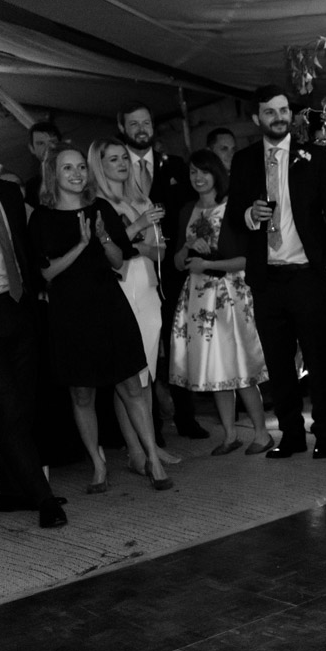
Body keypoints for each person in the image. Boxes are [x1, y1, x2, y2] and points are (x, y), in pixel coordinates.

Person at [29, 146, 173, 491]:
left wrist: (104, 237)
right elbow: (46, 272)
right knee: (82, 394)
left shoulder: (101, 208)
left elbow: (119, 261)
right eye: (68, 168)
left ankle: (152, 457)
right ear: (54, 175)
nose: (77, 174)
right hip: (70, 313)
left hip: (109, 304)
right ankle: (98, 464)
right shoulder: (42, 218)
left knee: (132, 386)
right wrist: (81, 244)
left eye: (81, 167)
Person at [0, 108, 68, 527]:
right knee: (5, 408)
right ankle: (43, 499)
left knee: (21, 407)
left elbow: (22, 248)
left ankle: (11, 493)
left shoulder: (6, 191)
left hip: (18, 309)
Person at [228, 84, 326, 459]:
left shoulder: (316, 157)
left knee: (320, 358)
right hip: (267, 278)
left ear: (290, 114)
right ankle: (291, 434)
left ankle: (325, 433)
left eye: (283, 110)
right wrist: (248, 215)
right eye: (270, 112)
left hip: (307, 274)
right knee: (278, 363)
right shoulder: (243, 161)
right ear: (257, 118)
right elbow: (232, 219)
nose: (278, 117)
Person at [89, 137, 183, 469]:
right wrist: (140, 230)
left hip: (147, 287)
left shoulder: (140, 198)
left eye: (123, 158)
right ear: (99, 164)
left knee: (146, 374)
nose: (121, 163)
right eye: (112, 159)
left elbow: (159, 251)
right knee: (129, 376)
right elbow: (105, 249)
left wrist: (141, 240)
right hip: (120, 289)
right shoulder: (96, 204)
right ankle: (139, 451)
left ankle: (148, 447)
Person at [170, 149, 272, 455]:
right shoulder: (187, 209)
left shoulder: (232, 209)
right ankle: (229, 435)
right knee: (215, 370)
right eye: (193, 173)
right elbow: (176, 263)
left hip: (229, 295)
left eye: (204, 171)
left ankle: (261, 433)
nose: (198, 178)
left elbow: (246, 259)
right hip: (198, 297)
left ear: (217, 173)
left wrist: (209, 265)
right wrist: (187, 247)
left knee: (239, 365)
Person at [118, 100, 206, 441]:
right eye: (134, 123)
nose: (141, 128)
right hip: (133, 269)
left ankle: (186, 416)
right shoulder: (117, 167)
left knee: (179, 343)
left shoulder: (175, 166)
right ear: (123, 126)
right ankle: (150, 428)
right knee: (140, 350)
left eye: (146, 122)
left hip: (173, 271)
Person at [24, 121, 61, 211]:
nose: (48, 147)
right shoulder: (31, 187)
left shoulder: (78, 174)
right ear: (32, 149)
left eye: (52, 141)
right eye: (41, 143)